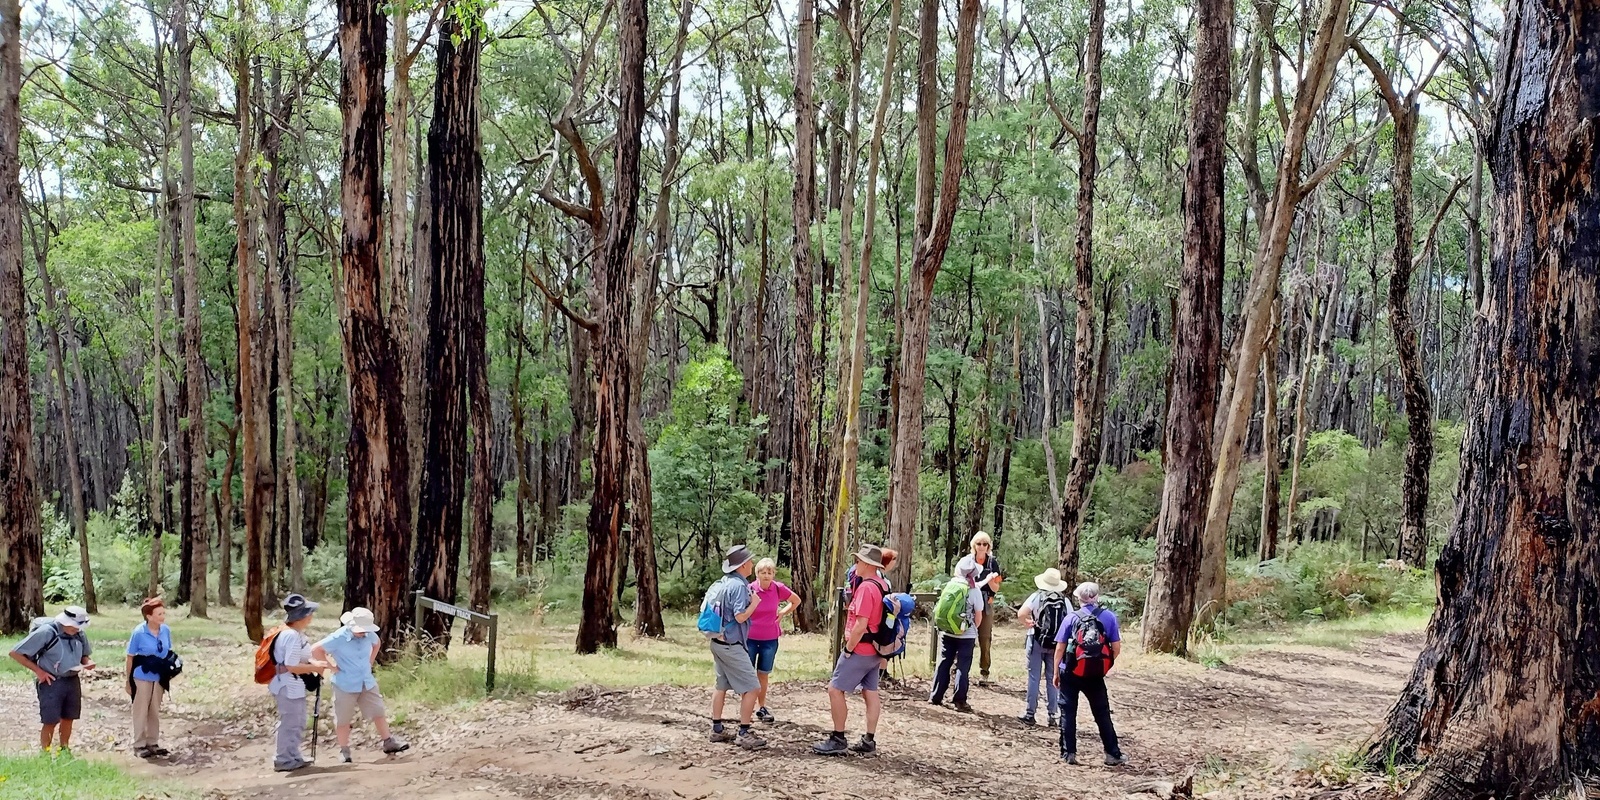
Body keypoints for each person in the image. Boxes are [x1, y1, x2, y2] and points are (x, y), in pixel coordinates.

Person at [814, 544, 889, 756]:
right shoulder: (882, 584)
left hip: (861, 649)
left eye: (858, 561)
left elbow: (860, 624)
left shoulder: (866, 588)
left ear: (866, 564)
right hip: (876, 650)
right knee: (870, 691)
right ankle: (869, 740)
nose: (855, 564)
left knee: (835, 689)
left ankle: (838, 738)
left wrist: (848, 649)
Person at [310, 607, 410, 763]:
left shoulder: (370, 635)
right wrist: (332, 667)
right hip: (345, 683)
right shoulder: (338, 637)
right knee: (343, 718)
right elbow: (316, 649)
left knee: (378, 711)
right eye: (361, 630)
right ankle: (344, 750)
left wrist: (370, 662)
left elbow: (377, 643)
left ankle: (388, 742)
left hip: (366, 681)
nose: (364, 633)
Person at [1052, 582, 1126, 767]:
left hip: (1070, 670)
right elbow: (1116, 648)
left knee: (1068, 712)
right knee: (1102, 713)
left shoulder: (1071, 618)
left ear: (1079, 599)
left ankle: (1069, 753)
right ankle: (1112, 754)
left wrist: (1056, 672)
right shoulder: (1108, 617)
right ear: (1097, 597)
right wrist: (1104, 666)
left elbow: (1060, 647)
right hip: (1095, 674)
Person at [704, 544, 768, 750]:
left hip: (717, 642)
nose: (752, 564)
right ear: (742, 565)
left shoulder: (725, 582)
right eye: (749, 561)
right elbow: (740, 616)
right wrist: (755, 604)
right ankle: (744, 732)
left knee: (721, 684)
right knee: (753, 687)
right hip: (731, 644)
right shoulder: (739, 586)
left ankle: (716, 728)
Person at [9, 606, 95, 756]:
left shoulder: (80, 634)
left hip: (72, 679)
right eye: (75, 626)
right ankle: (45, 752)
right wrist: (39, 672)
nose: (78, 629)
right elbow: (15, 653)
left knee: (69, 717)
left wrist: (87, 662)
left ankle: (64, 749)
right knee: (50, 719)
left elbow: (85, 655)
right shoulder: (47, 632)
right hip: (51, 681)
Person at [267, 594, 331, 772]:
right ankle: (283, 759)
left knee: (298, 720)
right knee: (290, 722)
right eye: (309, 613)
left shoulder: (293, 634)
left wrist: (313, 664)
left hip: (291, 685)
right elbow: (291, 665)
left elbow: (294, 661)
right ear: (302, 616)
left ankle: (292, 755)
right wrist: (314, 667)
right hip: (288, 685)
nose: (311, 616)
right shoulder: (292, 636)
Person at [1016, 568, 1072, 728]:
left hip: (1036, 639)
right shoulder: (1064, 600)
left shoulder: (1037, 596)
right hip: (1056, 644)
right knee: (1053, 678)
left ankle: (1030, 713)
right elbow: (1071, 621)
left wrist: (1028, 623)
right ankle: (1053, 715)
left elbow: (1021, 614)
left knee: (1034, 677)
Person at [744, 558, 798, 724]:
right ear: (757, 574)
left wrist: (782, 612)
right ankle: (746, 708)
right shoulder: (749, 589)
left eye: (769, 572)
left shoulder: (777, 588)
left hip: (770, 639)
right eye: (762, 572)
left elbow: (796, 600)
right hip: (750, 638)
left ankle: (761, 707)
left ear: (773, 574)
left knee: (763, 674)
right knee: (748, 675)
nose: (766, 575)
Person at [125, 598, 174, 758]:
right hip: (141, 676)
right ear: (149, 616)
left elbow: (168, 651)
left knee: (154, 709)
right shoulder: (139, 632)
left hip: (159, 676)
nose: (162, 617)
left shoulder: (165, 630)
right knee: (140, 710)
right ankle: (139, 744)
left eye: (163, 613)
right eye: (159, 614)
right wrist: (128, 681)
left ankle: (152, 742)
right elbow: (130, 657)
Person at [952, 532, 1002, 686]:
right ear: (974, 545)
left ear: (988, 546)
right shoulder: (967, 560)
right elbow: (957, 576)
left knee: (985, 638)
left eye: (985, 544)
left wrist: (992, 580)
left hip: (986, 602)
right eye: (979, 544)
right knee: (960, 633)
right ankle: (956, 667)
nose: (981, 547)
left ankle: (984, 672)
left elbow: (997, 586)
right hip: (967, 601)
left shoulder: (993, 562)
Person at [928, 578, 983, 713]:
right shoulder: (974, 590)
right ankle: (959, 700)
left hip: (947, 632)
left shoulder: (951, 585)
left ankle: (935, 696)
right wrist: (972, 629)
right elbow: (978, 615)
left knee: (944, 662)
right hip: (966, 635)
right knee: (962, 667)